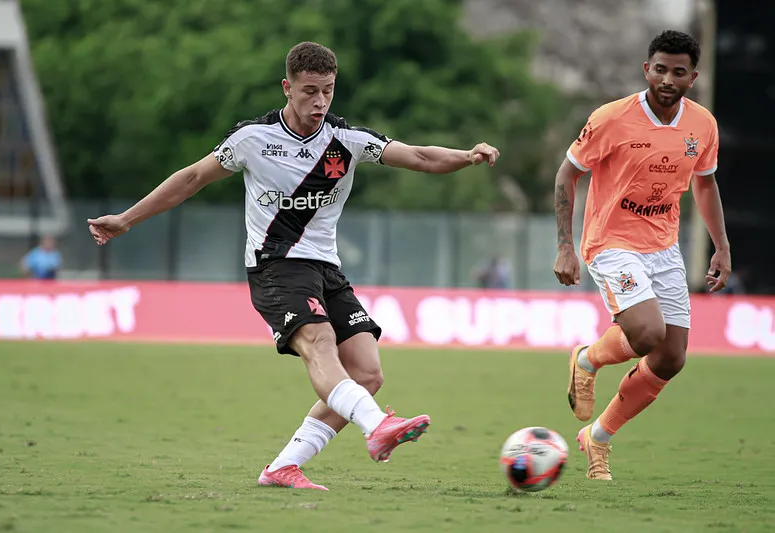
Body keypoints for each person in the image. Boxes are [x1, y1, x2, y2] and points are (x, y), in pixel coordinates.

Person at [87, 42, 500, 490]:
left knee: (366, 372)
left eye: (328, 91)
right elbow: (191, 179)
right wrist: (126, 219)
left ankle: (283, 467)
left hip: (326, 270)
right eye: (309, 91)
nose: (320, 102)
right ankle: (376, 426)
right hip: (275, 266)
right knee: (320, 343)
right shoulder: (252, 139)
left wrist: (466, 156)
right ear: (287, 87)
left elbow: (419, 157)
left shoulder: (347, 140)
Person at [552, 30, 731, 480]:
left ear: (693, 76)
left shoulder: (703, 125)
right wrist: (565, 247)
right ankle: (588, 359)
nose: (667, 79)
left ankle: (598, 437)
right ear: (645, 69)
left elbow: (705, 184)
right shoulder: (612, 118)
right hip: (611, 243)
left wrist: (721, 246)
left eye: (678, 72)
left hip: (663, 247)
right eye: (660, 69)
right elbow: (566, 176)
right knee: (647, 333)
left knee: (672, 359)